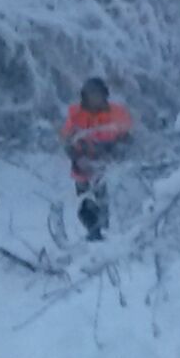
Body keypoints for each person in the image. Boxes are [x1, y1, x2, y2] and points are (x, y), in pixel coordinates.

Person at [60, 77, 132, 241]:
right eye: (90, 94)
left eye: (97, 94)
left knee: (103, 199)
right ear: (84, 96)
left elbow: (128, 139)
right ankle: (93, 232)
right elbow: (67, 140)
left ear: (104, 95)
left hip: (108, 166)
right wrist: (77, 158)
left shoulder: (117, 113)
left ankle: (105, 233)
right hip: (82, 166)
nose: (94, 98)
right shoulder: (75, 114)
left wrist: (114, 153)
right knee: (84, 202)